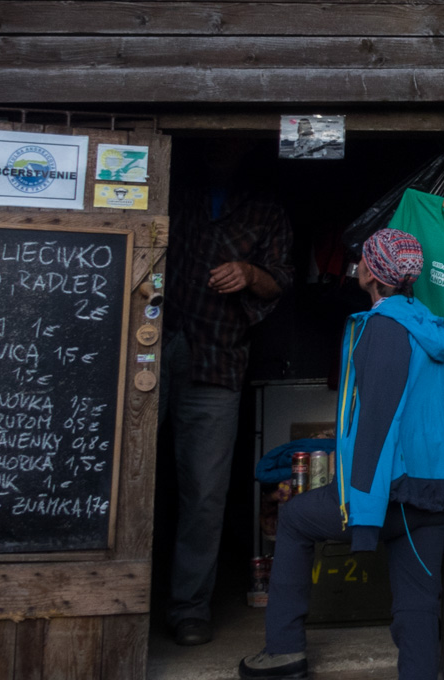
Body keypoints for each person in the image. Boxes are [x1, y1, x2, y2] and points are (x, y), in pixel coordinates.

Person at [239, 229, 444, 680]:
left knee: (294, 519)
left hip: (390, 493)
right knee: (418, 604)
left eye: (361, 260)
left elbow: (377, 424)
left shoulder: (382, 331)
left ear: (369, 272)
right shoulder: (432, 328)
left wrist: (362, 508)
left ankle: (284, 649)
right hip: (436, 491)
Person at [164, 139, 295, 646]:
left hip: (217, 355)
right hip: (147, 345)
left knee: (204, 491)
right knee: (124, 472)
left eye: (229, 137)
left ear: (244, 146)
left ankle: (188, 607)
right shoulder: (175, 186)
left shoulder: (265, 206)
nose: (220, 146)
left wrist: (249, 273)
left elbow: (281, 280)